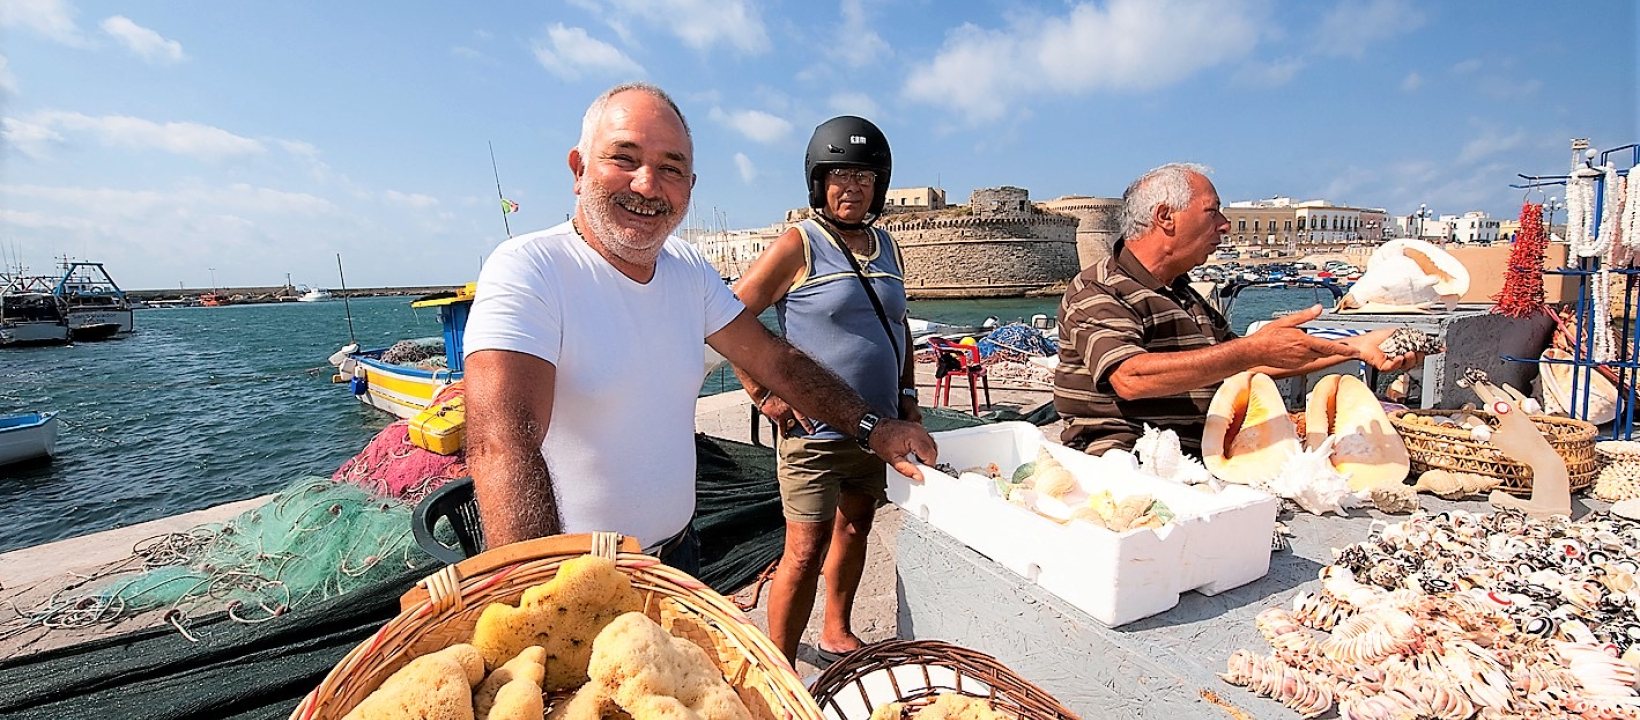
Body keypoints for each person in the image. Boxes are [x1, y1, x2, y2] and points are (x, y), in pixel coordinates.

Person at [461, 84, 938, 576]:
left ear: (690, 186)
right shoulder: (529, 268)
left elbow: (774, 360)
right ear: (579, 169)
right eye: (624, 158)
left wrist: (874, 428)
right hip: (578, 575)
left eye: (670, 168)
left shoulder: (686, 268)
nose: (648, 185)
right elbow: (502, 444)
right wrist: (539, 589)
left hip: (679, 557)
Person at [1054, 163, 1422, 456]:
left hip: (1204, 452)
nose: (1225, 225)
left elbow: (1245, 362)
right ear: (1165, 217)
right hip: (1127, 457)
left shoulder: (1184, 295)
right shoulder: (1099, 288)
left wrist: (1356, 347)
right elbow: (1130, 378)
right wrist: (1250, 349)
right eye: (1212, 212)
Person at [728, 116, 916, 664]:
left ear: (879, 183)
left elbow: (899, 327)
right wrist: (764, 394)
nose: (851, 187)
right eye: (839, 176)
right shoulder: (800, 243)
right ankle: (778, 664)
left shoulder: (888, 246)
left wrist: (908, 397)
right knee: (804, 549)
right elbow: (729, 318)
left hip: (878, 431)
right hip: (815, 435)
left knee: (856, 528)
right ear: (819, 182)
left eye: (863, 176)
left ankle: (836, 630)